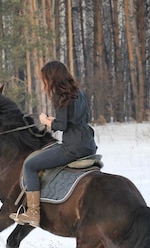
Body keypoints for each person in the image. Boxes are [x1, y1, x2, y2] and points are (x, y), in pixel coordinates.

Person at [10, 60, 97, 227]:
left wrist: (46, 121)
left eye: (45, 80)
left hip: (72, 148)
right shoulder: (80, 92)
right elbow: (78, 119)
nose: (44, 84)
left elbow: (62, 126)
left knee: (30, 165)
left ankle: (33, 213)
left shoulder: (60, 94)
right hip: (88, 144)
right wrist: (55, 120)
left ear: (51, 78)